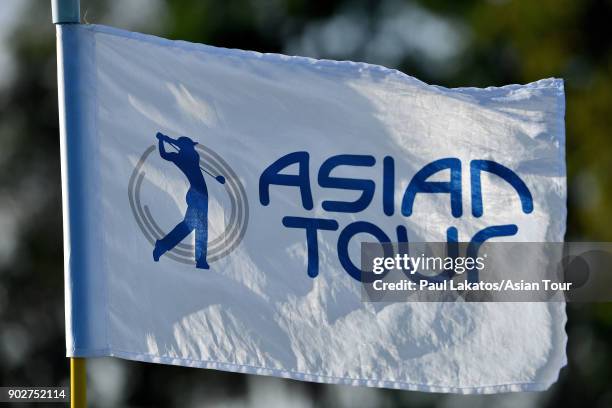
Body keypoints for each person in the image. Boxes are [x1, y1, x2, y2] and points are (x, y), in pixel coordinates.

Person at [153, 132, 209, 269]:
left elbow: (170, 152)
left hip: (199, 196)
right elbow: (164, 155)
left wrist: (164, 139)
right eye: (190, 146)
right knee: (199, 227)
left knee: (188, 226)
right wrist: (163, 140)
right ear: (186, 148)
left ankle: (163, 245)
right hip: (198, 196)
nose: (193, 148)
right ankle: (200, 259)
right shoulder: (184, 158)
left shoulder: (191, 157)